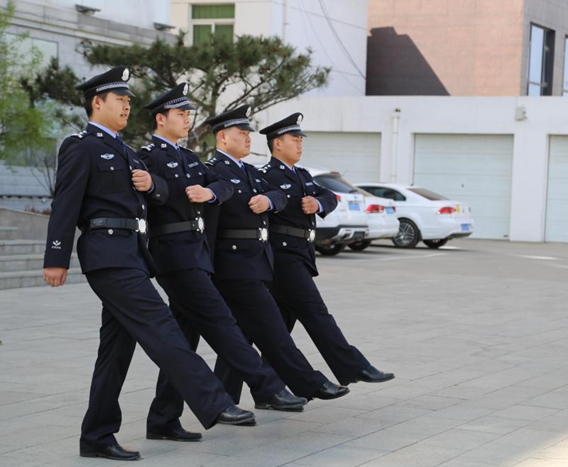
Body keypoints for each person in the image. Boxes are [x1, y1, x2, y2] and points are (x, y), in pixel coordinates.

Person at [43, 67, 254, 462]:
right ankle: (213, 400)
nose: (126, 105)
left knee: (115, 351)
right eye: (119, 100)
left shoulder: (125, 149)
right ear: (96, 103)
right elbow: (65, 204)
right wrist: (57, 256)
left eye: (128, 100)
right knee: (162, 326)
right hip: (107, 255)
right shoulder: (81, 146)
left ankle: (96, 435)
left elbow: (154, 193)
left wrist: (151, 185)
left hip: (132, 254)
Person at [139, 84, 307, 442]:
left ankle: (163, 418)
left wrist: (211, 192)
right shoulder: (147, 157)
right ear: (160, 119)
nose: (187, 119)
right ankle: (265, 386)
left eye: (188, 114)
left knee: (184, 338)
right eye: (180, 114)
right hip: (172, 255)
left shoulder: (189, 158)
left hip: (194, 254)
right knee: (221, 320)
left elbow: (224, 184)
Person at [202, 104, 350, 403]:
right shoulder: (212, 170)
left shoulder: (248, 171)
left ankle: (228, 400)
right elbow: (210, 223)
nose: (247, 139)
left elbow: (280, 194)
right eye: (241, 134)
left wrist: (269, 200)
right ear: (222, 138)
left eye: (248, 133)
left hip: (256, 262)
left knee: (241, 336)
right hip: (231, 264)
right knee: (272, 330)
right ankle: (304, 384)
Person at [258, 112, 395, 386]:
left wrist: (318, 205)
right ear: (277, 144)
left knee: (275, 331)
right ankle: (353, 366)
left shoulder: (303, 174)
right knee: (316, 312)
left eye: (301, 139)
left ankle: (268, 389)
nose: (300, 144)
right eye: (294, 139)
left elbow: (329, 196)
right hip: (282, 257)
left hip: (301, 253)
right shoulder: (267, 175)